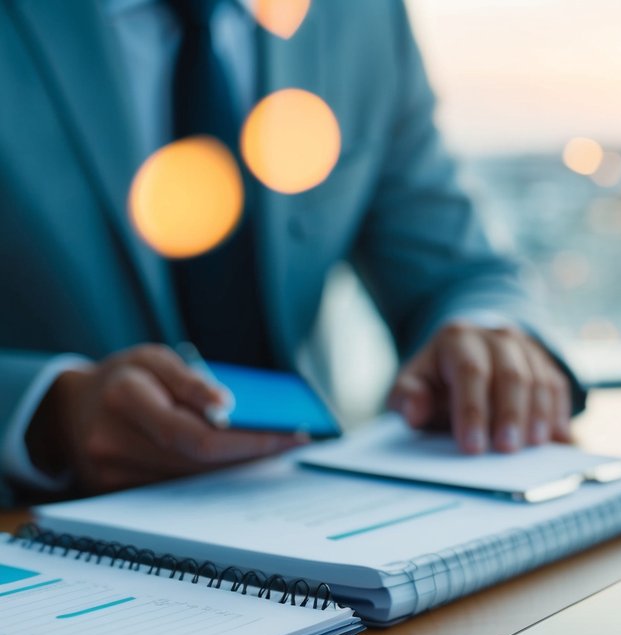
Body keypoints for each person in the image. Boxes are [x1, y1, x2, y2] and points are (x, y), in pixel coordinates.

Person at [0, 0, 584, 501]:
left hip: (302, 530)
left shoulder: (357, 15)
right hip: (41, 542)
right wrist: (46, 415)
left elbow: (457, 270)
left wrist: (486, 333)